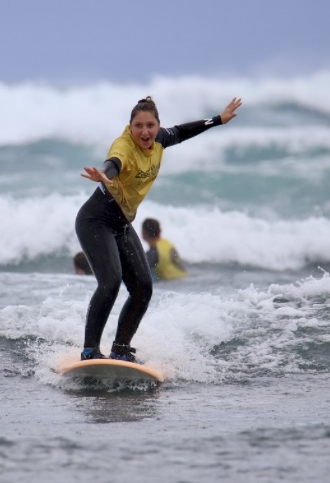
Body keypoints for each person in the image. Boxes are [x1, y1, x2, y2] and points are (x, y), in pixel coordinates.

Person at [75, 95, 242, 362]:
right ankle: (90, 350)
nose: (144, 132)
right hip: (95, 221)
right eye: (138, 126)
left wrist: (217, 120)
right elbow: (114, 163)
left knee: (143, 287)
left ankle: (120, 349)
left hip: (121, 224)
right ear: (130, 127)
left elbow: (181, 132)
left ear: (157, 125)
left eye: (150, 125)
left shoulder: (159, 139)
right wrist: (104, 174)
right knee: (109, 283)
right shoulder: (124, 147)